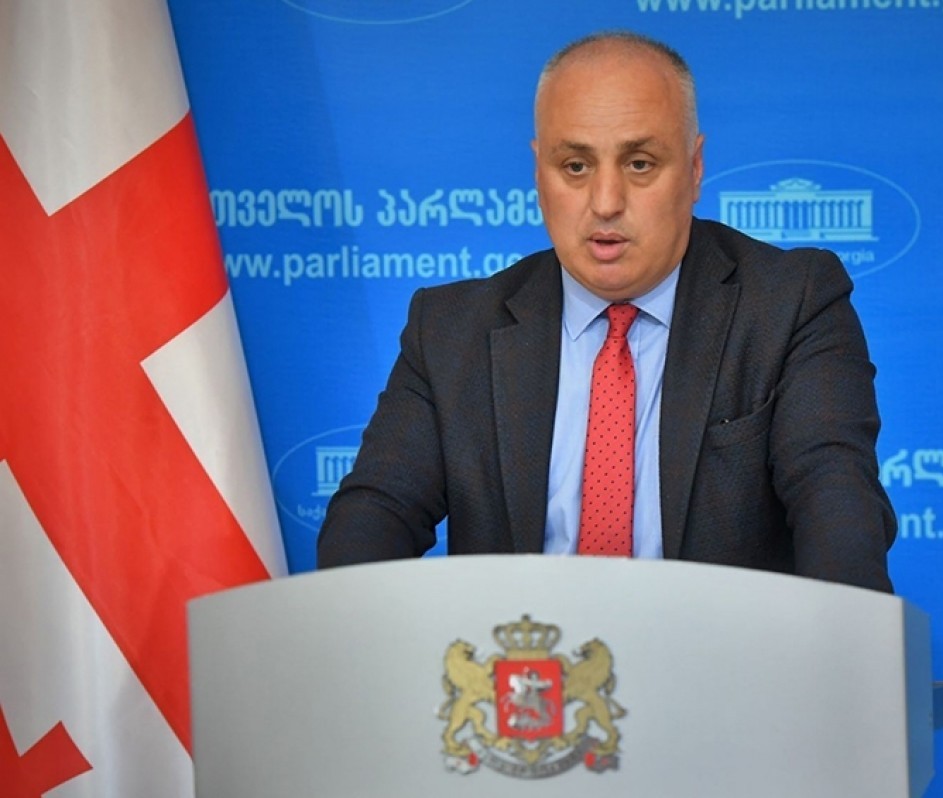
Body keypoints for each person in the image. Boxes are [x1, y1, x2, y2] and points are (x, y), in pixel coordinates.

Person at [317, 31, 896, 592]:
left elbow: (835, 499)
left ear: (695, 168)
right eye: (575, 166)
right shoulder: (450, 330)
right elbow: (375, 513)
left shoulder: (791, 303)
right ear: (538, 173)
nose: (606, 202)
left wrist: (842, 644)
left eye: (640, 163)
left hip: (719, 653)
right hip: (525, 656)